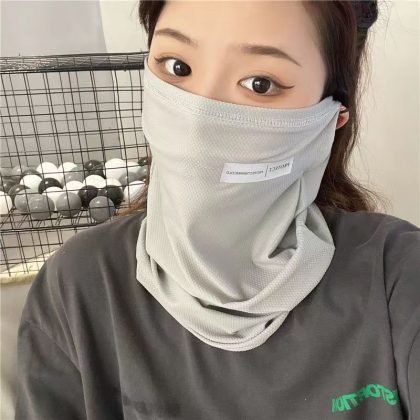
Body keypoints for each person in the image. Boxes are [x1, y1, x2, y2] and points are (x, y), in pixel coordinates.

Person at [15, 1, 420, 419]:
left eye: (260, 83)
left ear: (332, 116)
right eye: (177, 66)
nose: (198, 117)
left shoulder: (398, 277)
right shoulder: (78, 287)